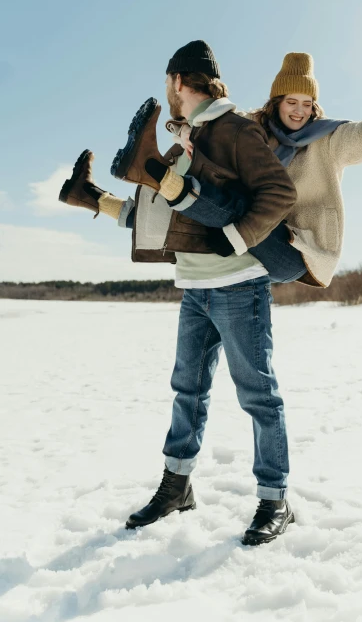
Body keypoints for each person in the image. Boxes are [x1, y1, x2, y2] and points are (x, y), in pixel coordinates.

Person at [59, 40, 298, 546]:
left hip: (237, 285)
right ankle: (176, 487)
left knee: (258, 395)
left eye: (168, 84)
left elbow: (278, 192)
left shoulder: (234, 129)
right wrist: (94, 200)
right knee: (187, 391)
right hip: (194, 287)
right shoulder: (187, 140)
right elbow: (158, 219)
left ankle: (275, 500)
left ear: (176, 82)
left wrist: (236, 238)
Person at [157, 51, 362, 288]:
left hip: (298, 250)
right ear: (277, 102)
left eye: (307, 103)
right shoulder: (252, 127)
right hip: (256, 234)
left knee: (234, 203)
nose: (299, 111)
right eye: (291, 102)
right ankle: (141, 219)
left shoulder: (327, 140)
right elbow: (207, 115)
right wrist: (182, 131)